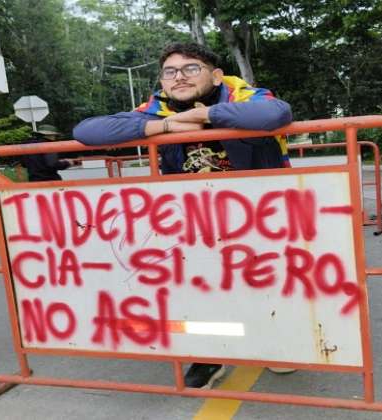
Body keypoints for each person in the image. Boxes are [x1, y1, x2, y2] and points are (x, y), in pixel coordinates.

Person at [73, 42, 295, 389]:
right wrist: (162, 127)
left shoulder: (241, 94)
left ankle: (273, 344)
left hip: (259, 215)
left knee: (268, 282)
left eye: (191, 69)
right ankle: (210, 353)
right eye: (170, 71)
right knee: (198, 288)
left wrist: (203, 116)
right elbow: (87, 131)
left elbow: (275, 115)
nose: (179, 77)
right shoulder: (158, 109)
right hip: (192, 222)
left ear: (216, 75)